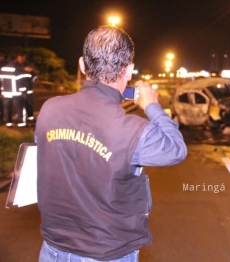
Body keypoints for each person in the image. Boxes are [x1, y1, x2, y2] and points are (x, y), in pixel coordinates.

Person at [36, 25, 187, 261]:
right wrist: (152, 106)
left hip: (52, 250)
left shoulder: (49, 109)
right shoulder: (133, 131)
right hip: (106, 254)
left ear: (82, 65)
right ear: (129, 70)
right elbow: (176, 149)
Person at [0, 54, 31, 127]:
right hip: (16, 93)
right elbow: (24, 79)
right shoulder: (17, 69)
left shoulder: (2, 69)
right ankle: (21, 123)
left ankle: (9, 123)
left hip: (6, 93)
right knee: (19, 109)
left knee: (7, 108)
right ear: (15, 60)